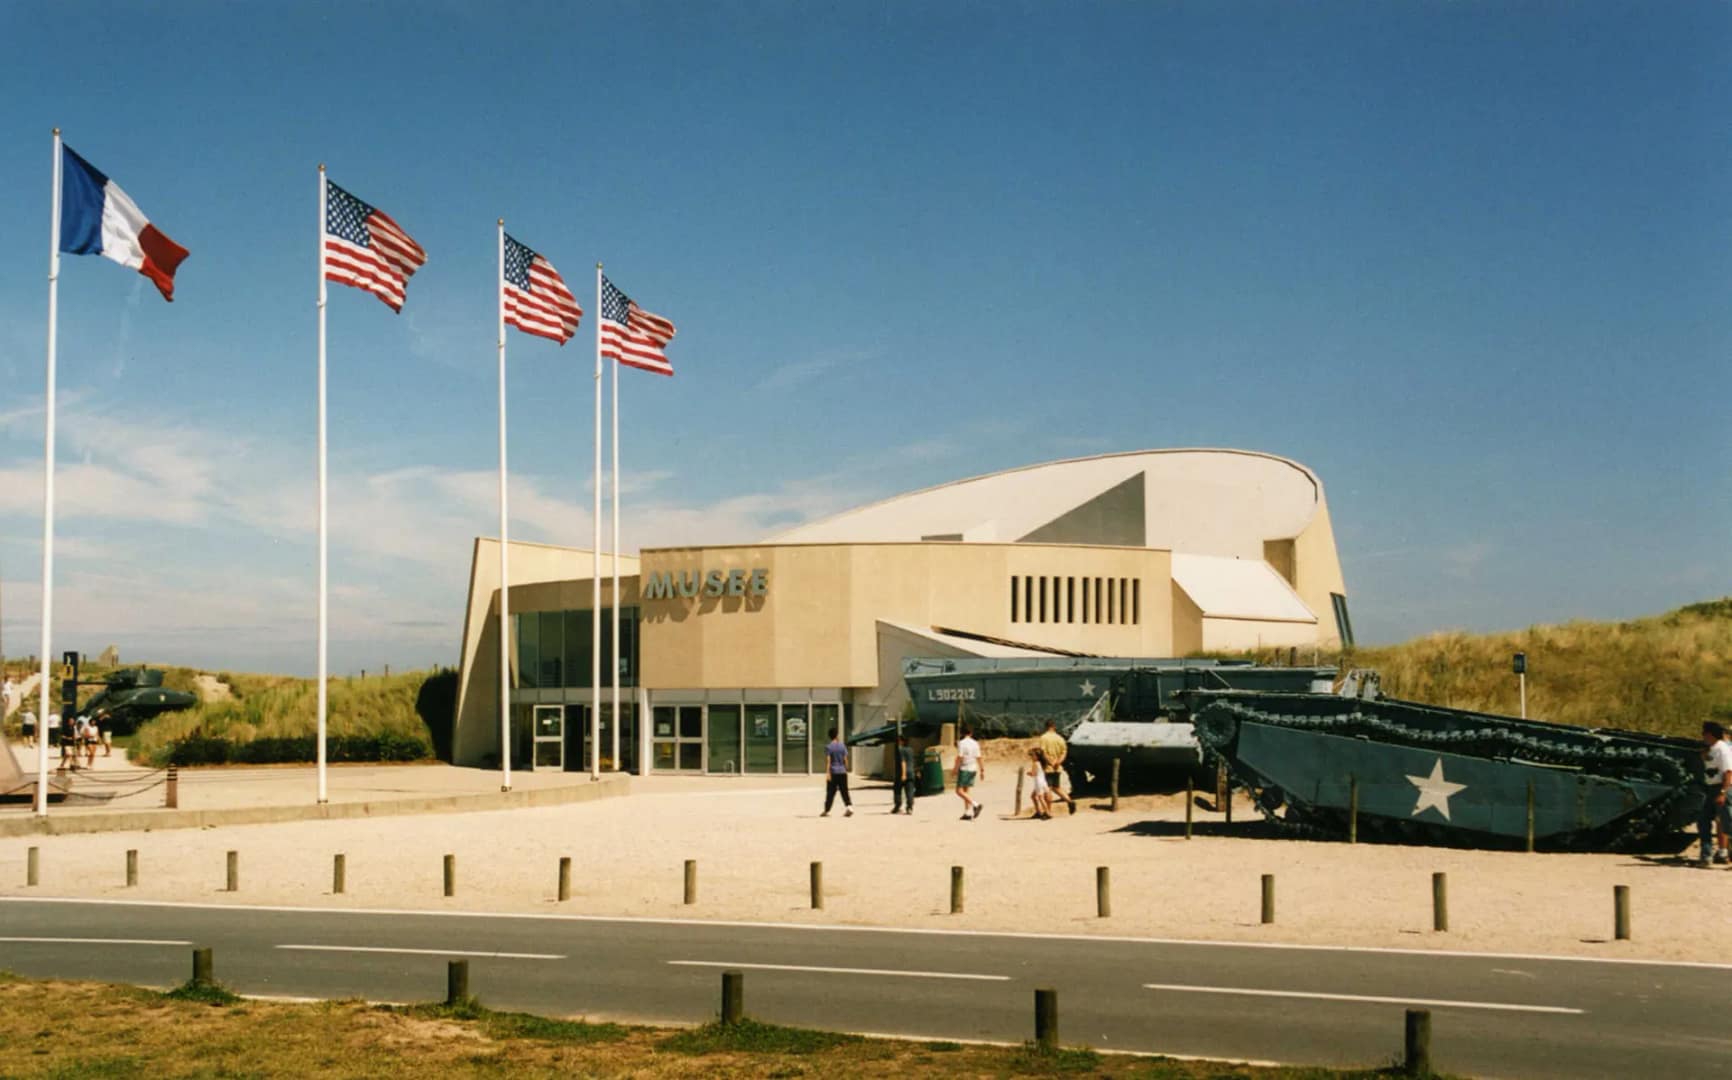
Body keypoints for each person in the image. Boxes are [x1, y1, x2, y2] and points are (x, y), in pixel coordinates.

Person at [1698, 720, 1732, 866]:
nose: (1703, 736)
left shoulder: (1722, 749)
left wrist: (1723, 792)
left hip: (1722, 788)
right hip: (1712, 788)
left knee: (1727, 823)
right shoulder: (1713, 748)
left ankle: (1723, 853)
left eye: (1705, 733)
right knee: (1703, 820)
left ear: (1710, 734)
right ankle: (1706, 855)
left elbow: (1728, 772)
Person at [1038, 719, 1077, 816]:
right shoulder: (1060, 738)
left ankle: (1048, 811)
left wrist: (1049, 762)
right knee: (1057, 787)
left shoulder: (1043, 738)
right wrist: (1059, 762)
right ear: (1054, 727)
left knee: (1048, 789)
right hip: (1057, 767)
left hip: (1048, 767)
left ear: (1046, 727)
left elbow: (1042, 752)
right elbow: (1064, 752)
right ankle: (1069, 801)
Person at [821, 727, 853, 817]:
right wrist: (846, 769)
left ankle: (826, 810)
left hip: (833, 772)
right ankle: (849, 806)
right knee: (844, 790)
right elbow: (845, 759)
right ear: (837, 735)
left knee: (830, 792)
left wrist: (827, 773)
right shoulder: (842, 746)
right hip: (842, 771)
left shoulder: (829, 747)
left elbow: (828, 761)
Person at [954, 726, 984, 820]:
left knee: (959, 791)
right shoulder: (975, 743)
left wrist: (955, 768)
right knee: (966, 791)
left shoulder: (961, 743)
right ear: (971, 733)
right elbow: (979, 757)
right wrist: (982, 770)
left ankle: (976, 804)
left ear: (962, 733)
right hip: (973, 768)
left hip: (965, 768)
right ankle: (967, 812)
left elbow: (960, 757)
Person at [891, 734, 917, 815]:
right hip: (911, 772)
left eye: (899, 740)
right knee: (909, 791)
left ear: (902, 741)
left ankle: (897, 806)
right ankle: (909, 807)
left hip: (902, 773)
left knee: (897, 789)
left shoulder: (900, 750)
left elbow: (903, 762)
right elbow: (912, 761)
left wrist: (903, 774)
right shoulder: (911, 750)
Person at [1027, 748, 1053, 819]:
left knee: (1040, 797)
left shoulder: (1035, 763)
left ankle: (1047, 813)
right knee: (1033, 796)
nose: (1031, 757)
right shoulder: (1041, 763)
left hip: (1038, 782)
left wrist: (1029, 773)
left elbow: (1034, 773)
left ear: (1037, 756)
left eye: (1032, 755)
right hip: (1043, 781)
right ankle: (1038, 812)